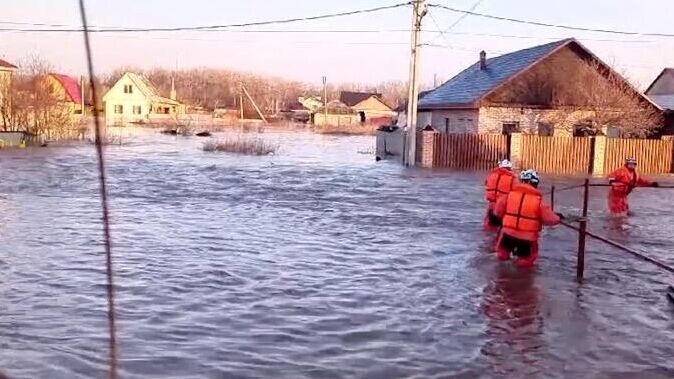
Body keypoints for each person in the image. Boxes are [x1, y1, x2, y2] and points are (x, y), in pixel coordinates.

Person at [493, 170, 561, 268]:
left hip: (508, 234)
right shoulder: (539, 201)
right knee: (525, 264)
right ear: (534, 183)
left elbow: (497, 212)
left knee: (502, 257)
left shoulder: (508, 196)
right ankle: (522, 281)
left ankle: (502, 279)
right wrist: (558, 217)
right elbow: (551, 220)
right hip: (527, 239)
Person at [484, 159, 517, 231]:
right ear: (510, 168)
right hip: (503, 207)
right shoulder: (512, 178)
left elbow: (486, 184)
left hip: (491, 206)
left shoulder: (491, 175)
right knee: (501, 229)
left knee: (488, 227)